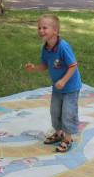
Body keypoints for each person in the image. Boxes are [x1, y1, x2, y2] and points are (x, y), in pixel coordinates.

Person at [24, 14, 82, 153]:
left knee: (68, 112)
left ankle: (68, 138)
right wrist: (35, 69)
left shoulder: (63, 47)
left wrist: (63, 80)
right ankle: (59, 133)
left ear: (55, 31)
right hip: (58, 87)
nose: (41, 31)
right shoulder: (46, 48)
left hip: (70, 87)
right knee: (55, 111)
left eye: (45, 28)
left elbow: (73, 66)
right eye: (39, 28)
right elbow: (45, 65)